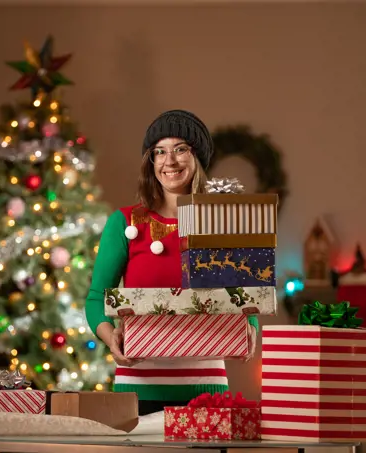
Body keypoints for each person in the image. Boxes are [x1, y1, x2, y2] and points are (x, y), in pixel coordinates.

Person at [85, 109, 259, 416]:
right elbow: (97, 297)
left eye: (181, 149)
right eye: (160, 152)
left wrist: (251, 328)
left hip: (206, 386)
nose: (170, 161)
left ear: (197, 159)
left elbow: (244, 295)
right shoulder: (124, 223)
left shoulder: (221, 222)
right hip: (137, 387)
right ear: (150, 161)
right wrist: (109, 335)